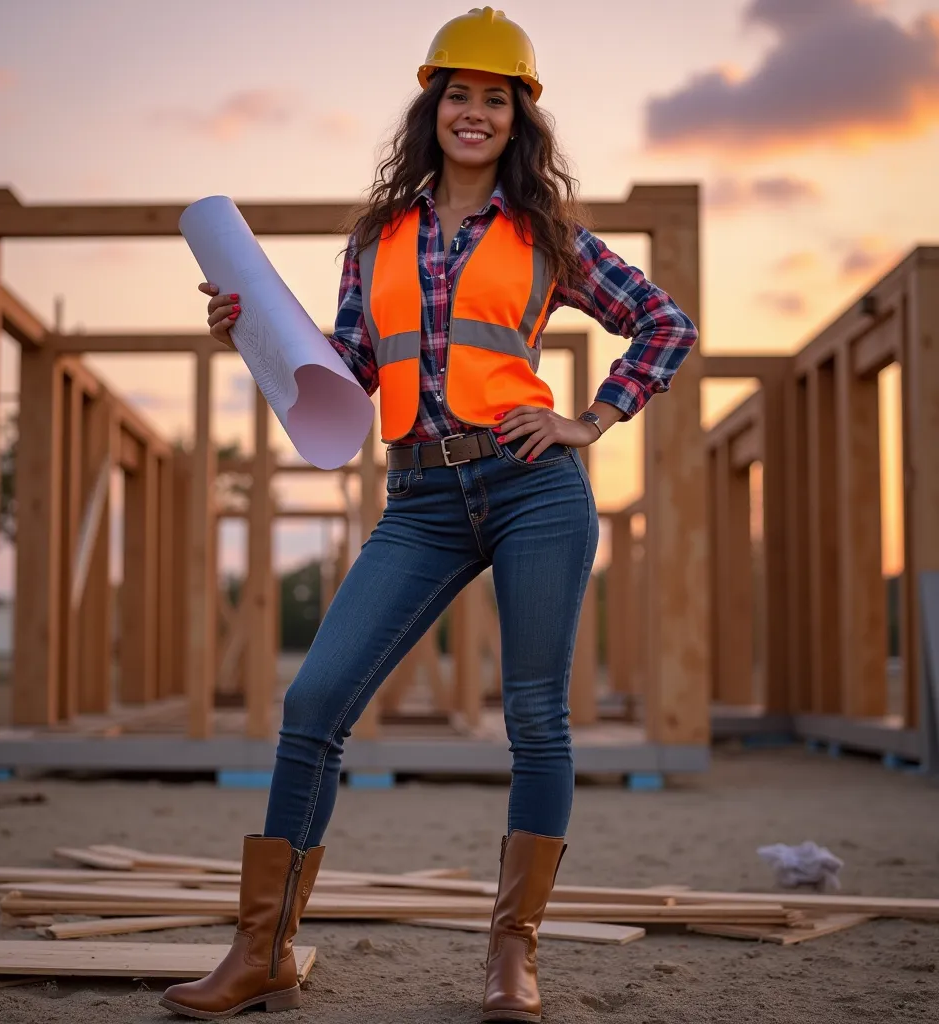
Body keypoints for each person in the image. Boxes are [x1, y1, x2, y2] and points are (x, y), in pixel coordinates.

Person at [161, 7, 697, 1022]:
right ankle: (262, 947)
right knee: (313, 704)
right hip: (419, 497)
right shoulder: (377, 241)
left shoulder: (549, 234)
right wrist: (253, 336)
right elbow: (351, 374)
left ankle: (512, 956)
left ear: (518, 119)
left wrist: (591, 419)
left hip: (532, 483)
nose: (475, 112)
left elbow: (664, 325)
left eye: (497, 98)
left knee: (535, 720)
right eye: (459, 93)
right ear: (432, 105)